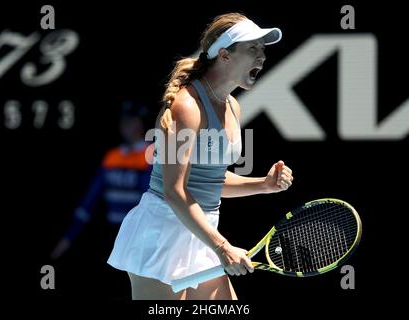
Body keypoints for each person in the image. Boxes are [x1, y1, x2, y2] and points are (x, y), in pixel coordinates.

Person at [107, 13, 293, 300]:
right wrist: (222, 247)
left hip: (202, 233)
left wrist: (262, 185)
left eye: (263, 49)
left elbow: (208, 179)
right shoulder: (187, 107)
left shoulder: (232, 106)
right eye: (252, 48)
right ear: (224, 54)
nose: (263, 57)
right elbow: (174, 191)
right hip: (162, 234)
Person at [51, 100, 153, 261]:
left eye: (132, 120)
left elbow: (151, 200)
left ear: (141, 123)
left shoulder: (152, 155)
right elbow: (89, 201)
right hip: (111, 234)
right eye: (123, 120)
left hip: (140, 235)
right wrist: (67, 239)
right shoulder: (112, 157)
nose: (126, 125)